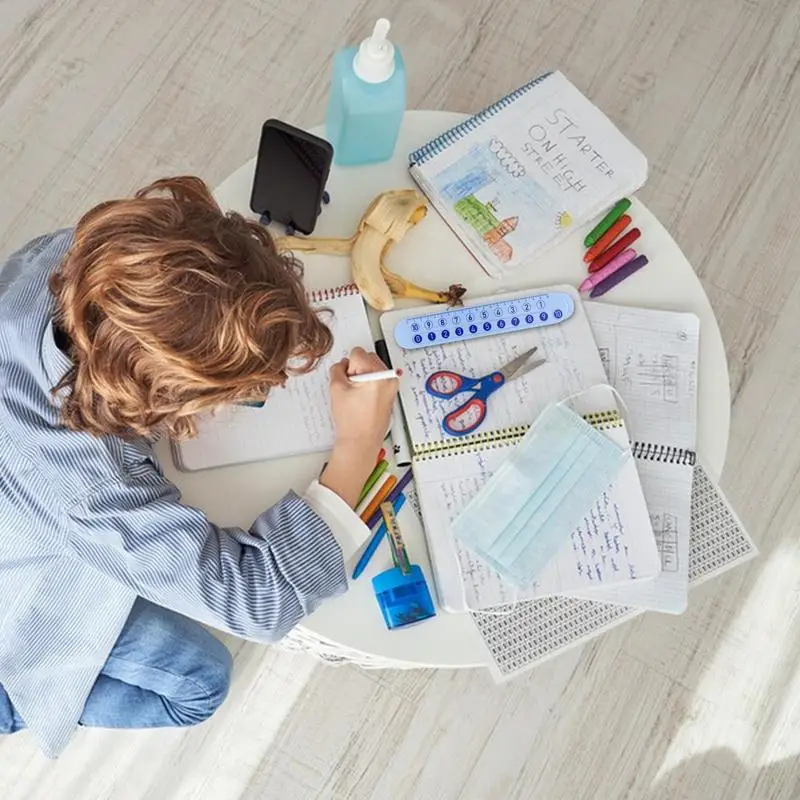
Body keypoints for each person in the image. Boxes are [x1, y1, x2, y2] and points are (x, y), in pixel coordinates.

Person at [0, 176, 398, 758]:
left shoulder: (67, 255)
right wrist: (358, 445)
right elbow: (259, 602)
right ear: (161, 399)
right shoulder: (86, 485)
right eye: (245, 392)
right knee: (198, 686)